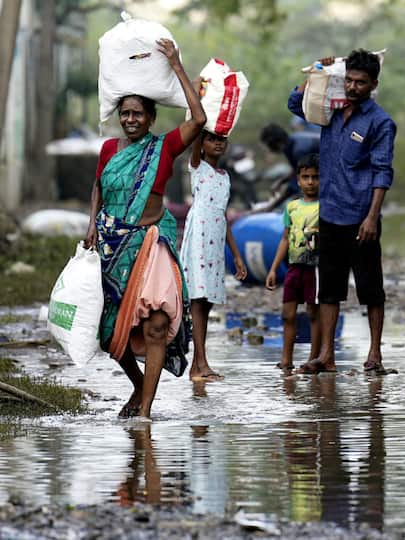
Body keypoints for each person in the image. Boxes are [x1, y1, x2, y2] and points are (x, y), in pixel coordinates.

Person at [83, 38, 206, 420]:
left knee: (155, 325)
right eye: (126, 114)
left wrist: (177, 65)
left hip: (152, 246)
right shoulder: (109, 150)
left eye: (138, 114)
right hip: (113, 246)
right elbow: (99, 186)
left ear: (151, 118)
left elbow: (199, 120)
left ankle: (146, 410)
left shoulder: (164, 147)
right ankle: (138, 385)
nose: (131, 120)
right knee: (110, 334)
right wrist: (91, 225)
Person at [287, 49, 396, 374]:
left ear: (373, 84)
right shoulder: (331, 110)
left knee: (371, 288)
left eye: (360, 82)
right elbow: (295, 104)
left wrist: (372, 216)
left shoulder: (380, 123)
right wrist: (318, 72)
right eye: (348, 80)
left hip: (361, 217)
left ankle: (375, 353)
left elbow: (382, 170)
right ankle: (326, 355)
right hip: (330, 213)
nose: (352, 87)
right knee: (329, 289)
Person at [180, 130, 248, 382]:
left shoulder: (225, 177)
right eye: (211, 139)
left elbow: (223, 217)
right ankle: (200, 364)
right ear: (202, 143)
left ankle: (199, 364)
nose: (218, 143)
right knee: (198, 299)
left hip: (215, 241)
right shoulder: (197, 167)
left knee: (206, 302)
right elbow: (195, 134)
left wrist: (237, 255)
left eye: (222, 139)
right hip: (199, 237)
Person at [265, 153, 320, 371]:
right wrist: (272, 269)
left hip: (315, 268)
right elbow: (285, 238)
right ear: (298, 179)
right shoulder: (292, 207)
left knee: (313, 313)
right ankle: (286, 359)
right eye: (305, 177)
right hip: (293, 268)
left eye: (315, 177)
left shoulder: (325, 206)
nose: (310, 182)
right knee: (287, 314)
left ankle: (314, 357)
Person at [258, 122, 320, 210]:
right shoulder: (291, 143)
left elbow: (296, 183)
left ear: (276, 144)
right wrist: (282, 181)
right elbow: (297, 169)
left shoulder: (299, 150)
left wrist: (270, 207)